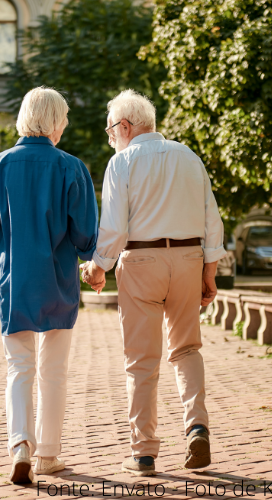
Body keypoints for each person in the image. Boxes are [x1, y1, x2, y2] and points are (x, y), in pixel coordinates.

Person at [81, 89, 225, 476]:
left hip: (141, 260)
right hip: (189, 258)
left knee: (141, 361)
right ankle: (196, 425)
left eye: (111, 131)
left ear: (125, 126)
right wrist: (209, 270)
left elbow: (113, 226)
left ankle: (143, 453)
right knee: (187, 348)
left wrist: (98, 267)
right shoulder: (189, 157)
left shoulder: (123, 162)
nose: (110, 139)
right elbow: (212, 216)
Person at [0, 87, 99, 484]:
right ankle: (47, 453)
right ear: (56, 122)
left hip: (15, 278)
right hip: (57, 279)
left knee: (19, 366)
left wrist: (6, 244)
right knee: (54, 370)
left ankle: (20, 446)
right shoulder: (71, 167)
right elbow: (85, 234)